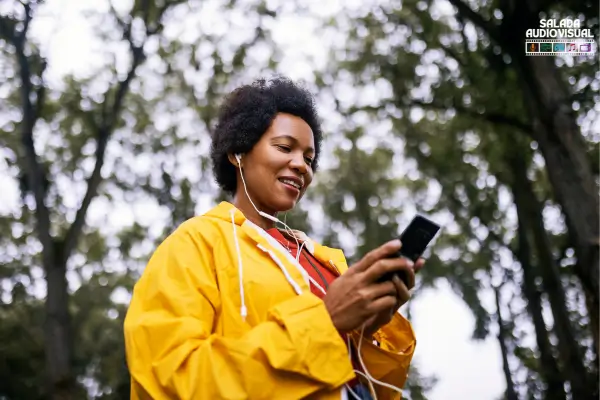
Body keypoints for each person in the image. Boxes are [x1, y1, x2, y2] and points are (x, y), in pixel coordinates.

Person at [123, 76, 423, 400]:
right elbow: (170, 378)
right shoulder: (195, 244)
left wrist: (370, 328)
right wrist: (324, 321)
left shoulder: (326, 261)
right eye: (284, 148)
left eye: (309, 159)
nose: (301, 166)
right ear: (238, 152)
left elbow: (369, 386)